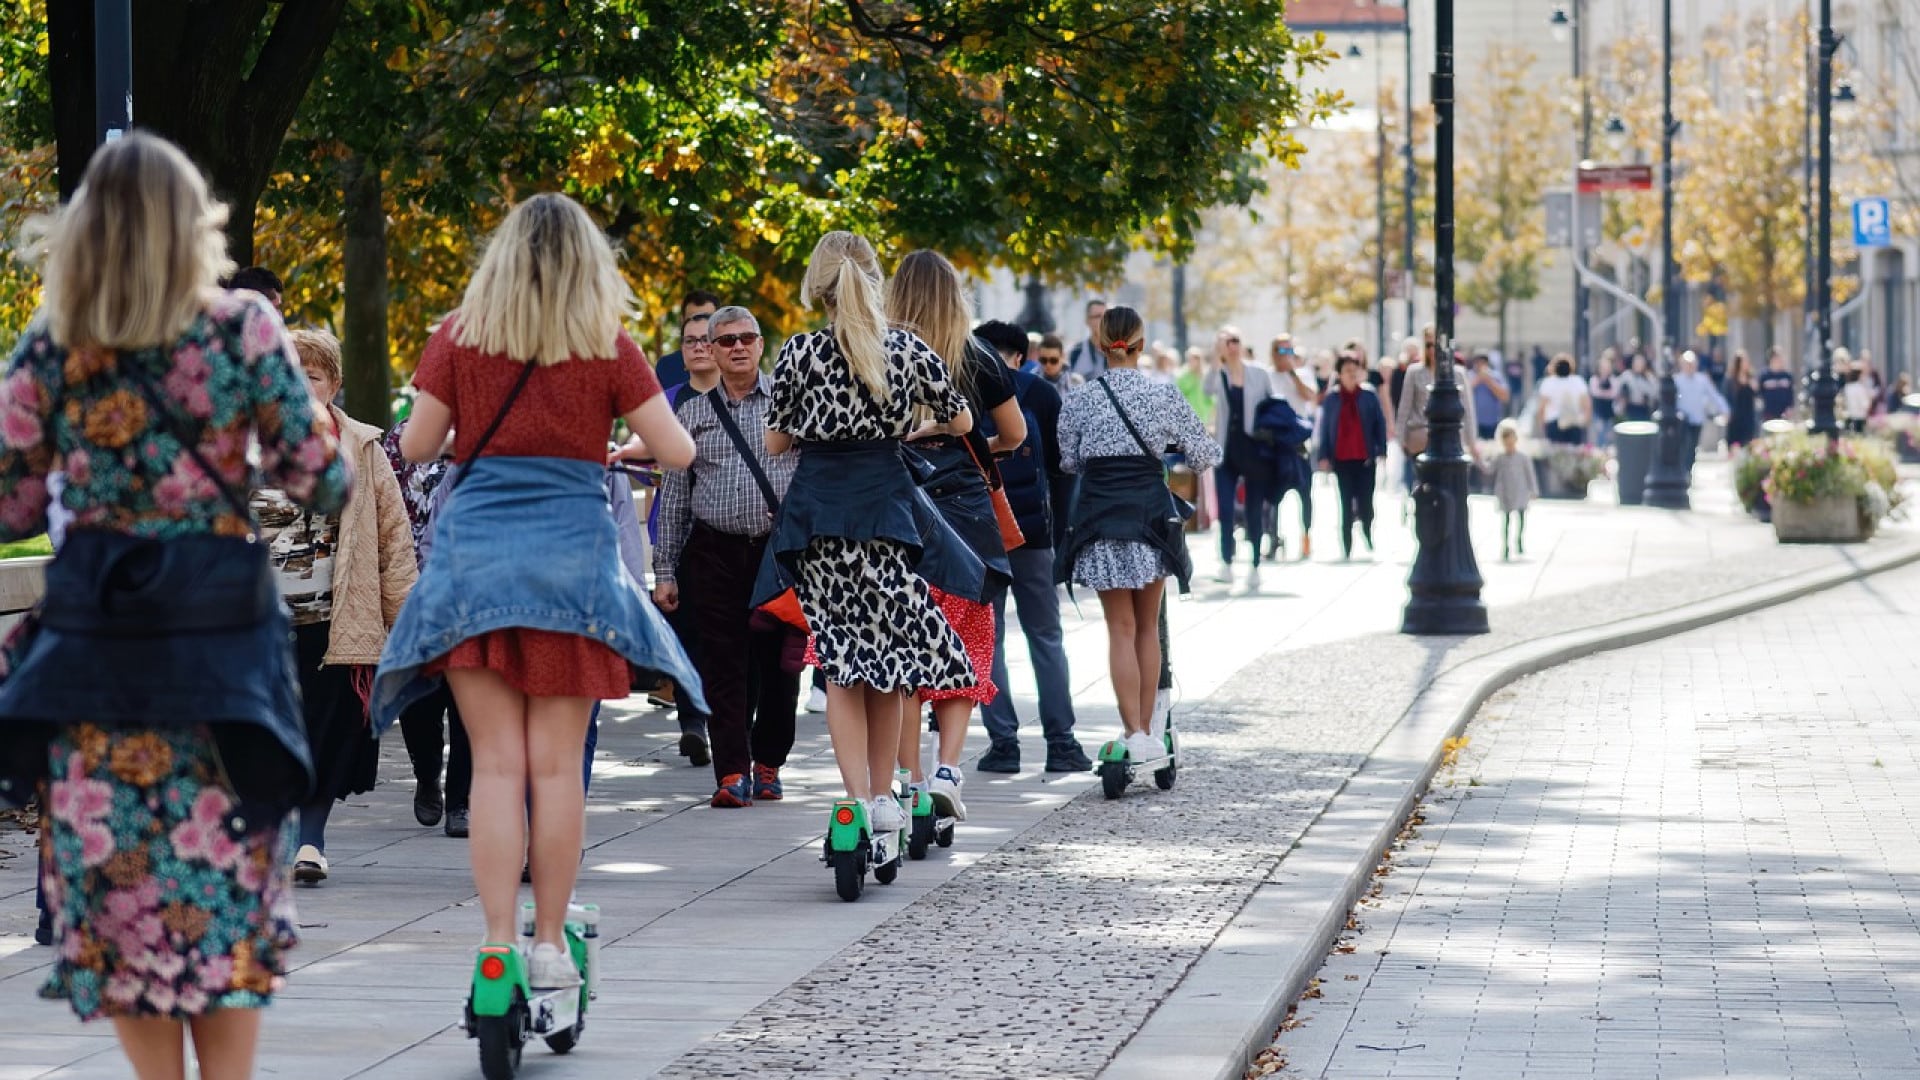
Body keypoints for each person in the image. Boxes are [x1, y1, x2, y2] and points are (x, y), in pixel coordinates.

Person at [0, 132, 350, 1079]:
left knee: (125, 903)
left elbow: (12, 502)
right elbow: (321, 481)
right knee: (224, 891)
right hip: (220, 657)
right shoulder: (244, 328)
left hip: (98, 660)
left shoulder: (56, 342)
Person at [376, 192, 700, 993]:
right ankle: (549, 942)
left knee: (493, 765)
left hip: (474, 561)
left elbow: (415, 446)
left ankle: (495, 942)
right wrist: (602, 439)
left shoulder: (458, 336)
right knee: (555, 769)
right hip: (573, 567)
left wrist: (478, 432)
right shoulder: (607, 344)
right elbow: (678, 452)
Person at [755, 230, 980, 841]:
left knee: (841, 665)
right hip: (887, 515)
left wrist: (817, 428)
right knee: (890, 661)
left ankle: (855, 797)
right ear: (875, 278)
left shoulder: (800, 353)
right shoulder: (904, 348)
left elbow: (775, 442)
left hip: (820, 521)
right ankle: (885, 797)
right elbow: (962, 418)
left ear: (817, 284)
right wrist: (911, 424)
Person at [270, 329, 417, 887]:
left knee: (328, 732)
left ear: (333, 384)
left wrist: (406, 619)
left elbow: (393, 539)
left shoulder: (361, 446)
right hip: (260, 621)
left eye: (311, 375)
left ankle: (311, 839)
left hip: (336, 619)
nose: (299, 385)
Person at [887, 250, 1022, 820]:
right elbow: (1014, 435)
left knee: (901, 646)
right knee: (969, 640)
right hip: (966, 509)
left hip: (902, 503)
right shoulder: (979, 355)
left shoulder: (882, 354)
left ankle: (908, 778)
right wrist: (972, 446)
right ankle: (947, 768)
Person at [651, 306, 800, 807]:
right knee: (723, 666)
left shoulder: (789, 401)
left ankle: (769, 763)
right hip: (713, 552)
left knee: (781, 667)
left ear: (761, 345)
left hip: (778, 557)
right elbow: (672, 498)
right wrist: (665, 570)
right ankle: (732, 772)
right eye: (726, 340)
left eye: (746, 338)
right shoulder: (690, 413)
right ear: (710, 351)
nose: (737, 347)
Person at [1056, 306, 1218, 763]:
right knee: (1149, 627)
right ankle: (1149, 731)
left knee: (1119, 629)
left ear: (1102, 345)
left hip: (1102, 522)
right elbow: (1204, 455)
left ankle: (1131, 733)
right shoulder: (1162, 395)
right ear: (1141, 345)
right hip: (1150, 522)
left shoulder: (1081, 399)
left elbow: (1068, 460)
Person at [972, 320, 1089, 775]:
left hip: (983, 536)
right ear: (1021, 356)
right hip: (1035, 534)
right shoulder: (1040, 395)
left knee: (991, 639)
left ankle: (1004, 744)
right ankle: (1061, 742)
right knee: (1046, 636)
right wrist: (1059, 538)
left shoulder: (967, 393)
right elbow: (1063, 475)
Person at [619, 311, 715, 767]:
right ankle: (693, 723)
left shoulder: (750, 394)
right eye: (689, 341)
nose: (698, 347)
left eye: (705, 339)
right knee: (686, 632)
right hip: (677, 532)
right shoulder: (669, 400)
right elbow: (639, 457)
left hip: (735, 533)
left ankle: (723, 721)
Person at [384, 417, 473, 837]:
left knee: (469, 700)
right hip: (409, 589)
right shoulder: (403, 437)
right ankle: (426, 776)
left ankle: (461, 801)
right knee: (419, 702)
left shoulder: (489, 425)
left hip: (467, 590)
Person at [1206, 326, 1275, 589]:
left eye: (1235, 340)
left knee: (1254, 510)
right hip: (1226, 450)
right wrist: (1216, 357)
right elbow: (1207, 390)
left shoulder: (1258, 373)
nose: (1231, 346)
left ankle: (1256, 564)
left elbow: (1271, 403)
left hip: (1254, 450)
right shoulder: (1219, 373)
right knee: (1224, 509)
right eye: (1226, 342)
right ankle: (1226, 561)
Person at [1318, 354, 1389, 560]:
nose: (1351, 374)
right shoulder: (1332, 398)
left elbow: (1379, 423)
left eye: (1354, 370)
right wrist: (1323, 454)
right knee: (1345, 502)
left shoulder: (1368, 395)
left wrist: (1381, 449)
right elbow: (1324, 428)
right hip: (1341, 458)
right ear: (1339, 374)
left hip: (1365, 457)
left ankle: (1367, 528)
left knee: (1366, 501)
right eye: (1347, 371)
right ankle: (1346, 545)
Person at [1267, 333, 1318, 559]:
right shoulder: (1266, 376)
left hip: (1299, 444)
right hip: (1276, 444)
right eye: (1280, 351)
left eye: (1289, 350)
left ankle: (1306, 537)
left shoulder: (1302, 374)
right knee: (1273, 496)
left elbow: (1310, 397)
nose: (1284, 355)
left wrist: (1292, 373)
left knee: (1305, 493)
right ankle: (1274, 539)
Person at [1487, 418, 1537, 561]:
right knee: (1506, 520)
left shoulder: (1522, 458)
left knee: (1521, 517)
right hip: (1505, 492)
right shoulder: (1500, 457)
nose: (1509, 446)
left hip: (1520, 490)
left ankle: (1519, 541)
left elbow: (1530, 474)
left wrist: (1533, 490)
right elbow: (1490, 469)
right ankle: (1506, 546)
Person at [650, 288, 720, 390]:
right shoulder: (667, 367)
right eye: (694, 319)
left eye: (707, 318)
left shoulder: (735, 365)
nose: (700, 325)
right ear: (682, 321)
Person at [1672, 350, 1729, 465]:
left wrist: (1725, 410)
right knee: (1684, 445)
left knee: (1692, 447)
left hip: (1697, 420)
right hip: (1682, 420)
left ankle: (1688, 471)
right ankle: (1683, 470)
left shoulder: (1702, 380)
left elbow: (1714, 395)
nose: (1690, 367)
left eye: (1692, 364)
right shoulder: (1677, 380)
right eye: (1687, 364)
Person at [1536, 354, 1592, 445]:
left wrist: (1543, 426)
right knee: (1575, 455)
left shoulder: (1548, 383)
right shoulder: (1578, 382)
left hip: (1554, 424)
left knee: (1556, 455)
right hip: (1574, 423)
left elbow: (1541, 408)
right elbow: (1587, 406)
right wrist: (1585, 423)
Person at [1722, 350, 1759, 449]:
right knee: (1734, 444)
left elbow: (1757, 394)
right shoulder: (1730, 379)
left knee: (1747, 443)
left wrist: (1753, 386)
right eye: (1743, 361)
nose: (1746, 364)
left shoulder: (1751, 377)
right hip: (1735, 416)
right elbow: (1727, 397)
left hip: (1748, 415)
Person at [1470, 354, 1510, 443]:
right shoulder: (1469, 375)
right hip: (1473, 423)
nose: (1480, 364)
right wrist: (1478, 379)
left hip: (1492, 423)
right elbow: (1464, 393)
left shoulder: (1496, 376)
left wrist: (1488, 381)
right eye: (1478, 361)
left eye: (1483, 361)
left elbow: (1505, 397)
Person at [1066, 298, 1109, 382]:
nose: (1103, 320)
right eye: (1098, 316)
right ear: (1087, 320)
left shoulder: (1119, 352)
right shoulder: (1076, 352)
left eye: (1106, 316)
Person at [1588, 350, 1620, 448]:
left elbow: (1614, 393)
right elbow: (1595, 392)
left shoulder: (1613, 379)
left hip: (1609, 412)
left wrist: (1604, 393)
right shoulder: (1594, 379)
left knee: (1609, 436)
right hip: (1598, 411)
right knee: (1600, 436)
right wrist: (1607, 393)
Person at [1619, 352, 1659, 422]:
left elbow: (1655, 393)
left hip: (1645, 410)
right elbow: (1619, 392)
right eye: (1636, 363)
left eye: (1641, 363)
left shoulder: (1649, 377)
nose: (1638, 365)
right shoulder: (1626, 375)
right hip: (1630, 410)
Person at [1758, 347, 1796, 421]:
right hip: (1769, 414)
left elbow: (1791, 393)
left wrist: (1790, 408)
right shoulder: (1764, 376)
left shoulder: (1787, 376)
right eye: (1777, 358)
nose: (1780, 360)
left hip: (1784, 414)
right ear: (1772, 359)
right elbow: (1759, 394)